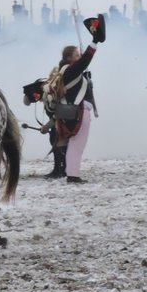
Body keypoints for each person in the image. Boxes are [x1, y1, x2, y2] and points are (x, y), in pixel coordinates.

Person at [56, 15, 105, 184]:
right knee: (78, 144)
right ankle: (73, 175)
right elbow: (85, 61)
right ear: (69, 58)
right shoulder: (70, 70)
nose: (79, 56)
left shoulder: (66, 70)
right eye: (76, 54)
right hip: (79, 110)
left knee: (75, 144)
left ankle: (71, 172)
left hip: (74, 110)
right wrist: (94, 42)